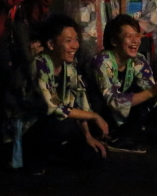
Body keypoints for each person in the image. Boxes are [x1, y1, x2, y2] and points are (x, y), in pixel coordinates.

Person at [24, 15, 108, 172]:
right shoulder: (40, 64)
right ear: (51, 44)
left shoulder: (68, 67)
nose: (75, 46)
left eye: (76, 40)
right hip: (31, 126)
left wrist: (88, 136)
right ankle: (34, 159)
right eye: (68, 41)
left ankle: (57, 156)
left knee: (94, 154)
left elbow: (80, 101)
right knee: (63, 124)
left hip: (57, 124)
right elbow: (55, 107)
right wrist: (94, 116)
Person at [89, 15, 157, 153]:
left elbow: (150, 91)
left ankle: (129, 135)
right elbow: (113, 101)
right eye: (129, 36)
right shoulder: (102, 61)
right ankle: (115, 138)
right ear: (114, 41)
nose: (135, 41)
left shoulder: (138, 59)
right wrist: (152, 92)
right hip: (101, 115)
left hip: (123, 113)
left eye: (137, 36)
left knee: (154, 100)